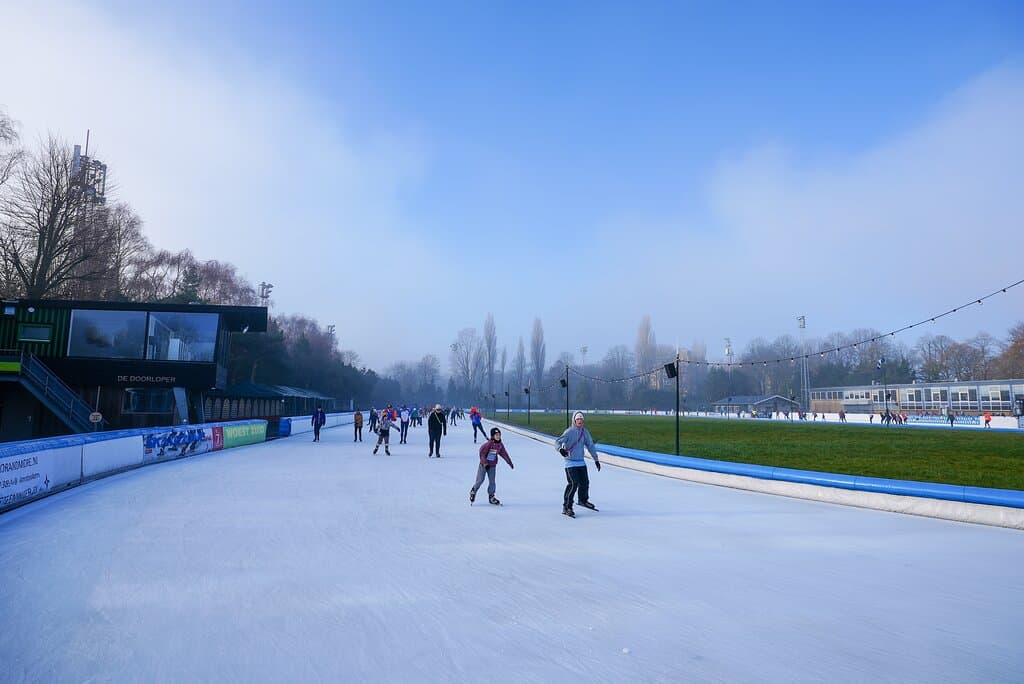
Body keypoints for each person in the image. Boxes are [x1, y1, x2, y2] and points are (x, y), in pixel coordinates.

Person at [555, 411, 601, 518]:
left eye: (581, 419)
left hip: (580, 461)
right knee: (573, 483)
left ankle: (583, 500)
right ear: (574, 420)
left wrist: (596, 459)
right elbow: (557, 442)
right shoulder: (569, 432)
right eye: (578, 419)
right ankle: (567, 507)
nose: (580, 421)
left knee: (585, 482)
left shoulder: (585, 432)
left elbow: (590, 445)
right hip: (570, 462)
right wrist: (560, 449)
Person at [470, 427, 514, 505]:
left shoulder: (500, 445)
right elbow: (482, 454)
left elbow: (504, 454)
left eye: (499, 435)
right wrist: (485, 463)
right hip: (483, 465)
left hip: (492, 465)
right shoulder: (488, 444)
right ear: (492, 436)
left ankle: (491, 497)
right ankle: (473, 491)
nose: (498, 436)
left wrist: (509, 462)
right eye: (496, 435)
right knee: (480, 480)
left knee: (492, 482)